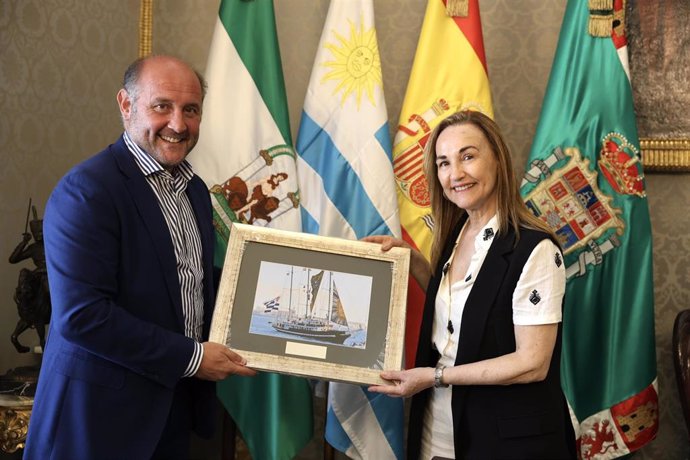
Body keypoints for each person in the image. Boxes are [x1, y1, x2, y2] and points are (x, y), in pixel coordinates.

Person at [24, 55, 256, 459]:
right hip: (98, 421)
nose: (178, 125)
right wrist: (195, 358)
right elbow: (84, 316)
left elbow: (191, 282)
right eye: (162, 106)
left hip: (171, 410)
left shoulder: (195, 190)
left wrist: (274, 302)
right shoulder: (89, 190)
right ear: (126, 105)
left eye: (191, 110)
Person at [368, 111, 576, 459]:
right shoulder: (454, 232)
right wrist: (411, 260)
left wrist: (435, 376)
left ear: (497, 159)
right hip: (439, 430)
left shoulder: (534, 249)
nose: (456, 174)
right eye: (444, 163)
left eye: (468, 156)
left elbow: (532, 363)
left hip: (510, 442)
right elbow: (465, 303)